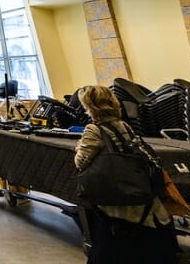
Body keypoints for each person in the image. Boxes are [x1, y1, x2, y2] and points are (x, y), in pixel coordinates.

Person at [74, 85, 176, 264]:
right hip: (139, 190)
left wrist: (78, 147)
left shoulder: (94, 129)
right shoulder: (123, 125)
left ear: (90, 106)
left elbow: (80, 162)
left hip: (117, 194)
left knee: (108, 246)